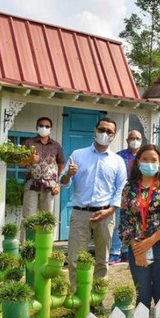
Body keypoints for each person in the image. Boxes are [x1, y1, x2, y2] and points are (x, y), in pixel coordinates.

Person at [60, 117, 127, 288]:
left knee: (102, 259)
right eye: (102, 129)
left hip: (105, 214)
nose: (105, 133)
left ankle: (97, 296)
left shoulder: (117, 161)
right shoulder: (78, 155)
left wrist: (111, 210)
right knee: (75, 258)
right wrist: (68, 174)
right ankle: (77, 295)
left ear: (113, 136)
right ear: (95, 131)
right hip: (80, 213)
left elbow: (121, 189)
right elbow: (64, 182)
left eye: (109, 131)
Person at [119, 144, 160, 308]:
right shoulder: (129, 187)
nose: (149, 163)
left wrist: (149, 242)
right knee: (142, 294)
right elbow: (124, 220)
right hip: (137, 247)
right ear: (138, 161)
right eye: (145, 159)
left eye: (153, 159)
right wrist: (138, 248)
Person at [19, 117, 65, 242]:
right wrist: (29, 159)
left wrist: (58, 184)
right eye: (41, 125)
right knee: (29, 217)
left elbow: (61, 164)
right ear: (36, 127)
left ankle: (45, 245)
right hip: (32, 184)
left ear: (50, 128)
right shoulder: (28, 143)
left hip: (49, 185)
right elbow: (20, 163)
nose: (44, 128)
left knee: (47, 218)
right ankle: (26, 246)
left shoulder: (56, 145)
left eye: (47, 126)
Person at [110, 129, 144, 265]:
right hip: (122, 195)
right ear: (127, 140)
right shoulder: (119, 156)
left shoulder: (144, 156)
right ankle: (114, 252)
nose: (135, 141)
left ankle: (126, 252)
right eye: (132, 138)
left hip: (140, 196)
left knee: (135, 224)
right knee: (119, 223)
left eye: (138, 138)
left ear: (141, 141)